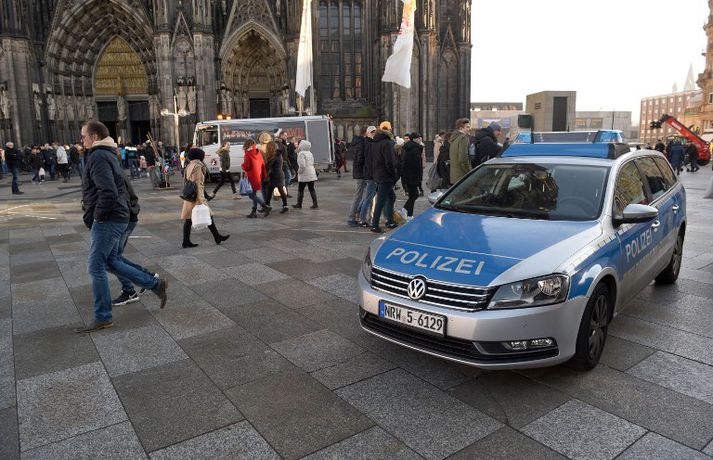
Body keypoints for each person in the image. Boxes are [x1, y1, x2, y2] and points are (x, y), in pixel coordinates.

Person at [76, 120, 167, 333]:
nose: (82, 140)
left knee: (95, 266)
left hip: (109, 218)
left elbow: (108, 191)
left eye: (84, 136)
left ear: (94, 137)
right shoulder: (107, 153)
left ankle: (102, 317)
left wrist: (97, 216)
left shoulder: (98, 156)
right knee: (111, 261)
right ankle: (154, 284)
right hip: (117, 215)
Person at [111, 175, 160, 306]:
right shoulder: (116, 170)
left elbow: (118, 198)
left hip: (122, 220)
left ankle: (130, 291)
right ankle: (147, 277)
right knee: (115, 258)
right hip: (128, 218)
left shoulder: (111, 172)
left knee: (111, 259)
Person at [181, 148, 230, 247]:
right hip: (196, 197)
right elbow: (198, 183)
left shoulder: (189, 165)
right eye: (203, 155)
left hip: (190, 196)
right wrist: (200, 201)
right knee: (207, 215)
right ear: (199, 156)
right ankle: (217, 237)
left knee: (189, 219)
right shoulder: (198, 166)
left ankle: (186, 241)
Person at [370, 121, 399, 233]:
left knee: (391, 197)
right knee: (381, 201)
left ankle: (390, 220)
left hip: (378, 174)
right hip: (385, 176)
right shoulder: (388, 143)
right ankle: (375, 225)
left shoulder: (375, 143)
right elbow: (389, 161)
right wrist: (393, 174)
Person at [241, 139, 270, 218]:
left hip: (251, 177)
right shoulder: (258, 152)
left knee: (251, 194)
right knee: (253, 194)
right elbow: (262, 163)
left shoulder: (248, 153)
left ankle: (265, 206)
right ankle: (253, 212)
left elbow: (247, 166)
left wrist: (242, 165)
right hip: (258, 176)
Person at [400, 133, 424, 220]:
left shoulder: (407, 148)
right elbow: (417, 165)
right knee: (414, 195)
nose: (420, 139)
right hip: (413, 175)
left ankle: (409, 215)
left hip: (407, 175)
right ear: (414, 139)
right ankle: (404, 210)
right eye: (418, 138)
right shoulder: (415, 149)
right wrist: (419, 178)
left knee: (412, 195)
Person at [358, 126, 378, 227]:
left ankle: (361, 216)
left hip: (368, 174)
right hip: (371, 175)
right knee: (368, 198)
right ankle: (362, 219)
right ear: (370, 133)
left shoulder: (366, 142)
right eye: (374, 133)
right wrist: (373, 175)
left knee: (368, 197)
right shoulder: (370, 144)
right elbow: (370, 162)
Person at [347, 127, 368, 225]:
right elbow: (360, 160)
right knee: (358, 196)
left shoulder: (359, 142)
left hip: (360, 173)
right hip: (361, 173)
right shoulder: (361, 144)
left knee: (361, 195)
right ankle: (351, 218)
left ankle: (356, 215)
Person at [264, 141, 289, 213]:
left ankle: (267, 206)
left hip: (275, 175)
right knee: (279, 191)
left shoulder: (275, 156)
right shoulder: (278, 155)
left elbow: (268, 166)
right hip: (278, 174)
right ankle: (285, 206)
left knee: (270, 191)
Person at [293, 140, 318, 209]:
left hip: (304, 174)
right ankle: (315, 203)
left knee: (301, 189)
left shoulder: (301, 154)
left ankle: (299, 204)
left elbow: (302, 165)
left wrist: (299, 172)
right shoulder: (310, 153)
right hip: (311, 172)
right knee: (312, 189)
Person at [449, 118, 472, 184]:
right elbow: (463, 158)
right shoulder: (463, 138)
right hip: (462, 175)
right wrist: (469, 171)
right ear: (461, 128)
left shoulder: (455, 138)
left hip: (455, 175)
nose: (469, 129)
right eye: (467, 127)